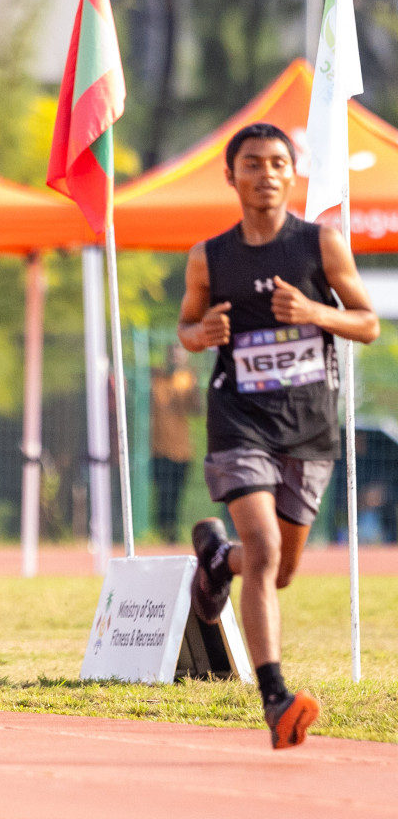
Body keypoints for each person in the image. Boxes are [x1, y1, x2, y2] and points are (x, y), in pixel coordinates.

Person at [178, 123, 379, 749]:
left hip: (309, 426)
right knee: (264, 547)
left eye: (276, 163)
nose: (265, 173)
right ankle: (276, 698)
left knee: (281, 568)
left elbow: (368, 323)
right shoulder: (209, 255)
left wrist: (314, 312)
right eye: (252, 164)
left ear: (293, 174)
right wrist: (201, 331)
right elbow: (186, 326)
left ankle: (217, 561)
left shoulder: (321, 244)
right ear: (231, 175)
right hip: (238, 418)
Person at [150, 344, 201, 544]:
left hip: (182, 450)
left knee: (176, 493)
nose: (175, 360)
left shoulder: (188, 380)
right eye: (172, 356)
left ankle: (172, 532)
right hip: (158, 448)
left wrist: (195, 386)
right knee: (162, 492)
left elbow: (196, 410)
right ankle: (161, 531)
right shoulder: (156, 378)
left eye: (179, 356)